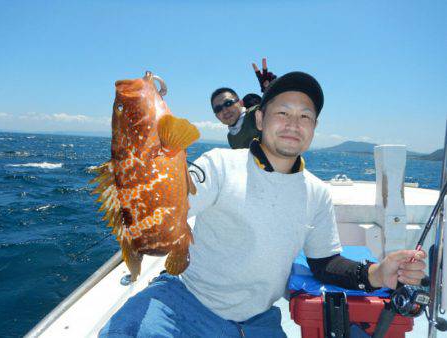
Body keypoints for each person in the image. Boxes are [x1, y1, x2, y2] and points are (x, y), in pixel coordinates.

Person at [100, 72, 426, 338]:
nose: (292, 123)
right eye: (282, 112)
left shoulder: (317, 193)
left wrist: (377, 273)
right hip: (184, 302)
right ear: (259, 119)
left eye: (305, 116)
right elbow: (166, 202)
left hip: (258, 322)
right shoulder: (219, 165)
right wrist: (140, 143)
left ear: (313, 129)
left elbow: (325, 263)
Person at [211, 58, 277, 149]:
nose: (224, 110)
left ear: (240, 103)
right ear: (216, 116)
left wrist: (273, 90)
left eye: (228, 103)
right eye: (218, 109)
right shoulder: (231, 137)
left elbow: (280, 110)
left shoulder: (256, 114)